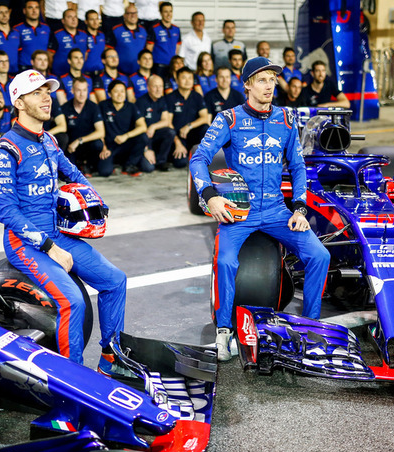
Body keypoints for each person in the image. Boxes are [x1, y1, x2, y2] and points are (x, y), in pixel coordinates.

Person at [0, 69, 128, 375]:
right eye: (37, 93)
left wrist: (96, 201)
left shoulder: (49, 140)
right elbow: (7, 213)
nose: (46, 98)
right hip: (24, 243)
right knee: (73, 302)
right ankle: (72, 381)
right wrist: (50, 248)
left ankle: (111, 361)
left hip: (58, 235)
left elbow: (73, 173)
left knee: (115, 281)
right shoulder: (3, 150)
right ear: (19, 103)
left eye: (47, 92)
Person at [189, 57, 330, 361]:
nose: (270, 85)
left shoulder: (287, 119)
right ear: (248, 84)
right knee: (225, 263)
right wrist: (211, 196)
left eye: (273, 80)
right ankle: (224, 332)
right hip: (239, 213)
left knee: (320, 255)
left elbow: (298, 166)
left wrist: (300, 210)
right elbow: (198, 158)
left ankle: (310, 327)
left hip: (278, 210)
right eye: (263, 79)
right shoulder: (229, 119)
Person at [97, 79, 153, 176]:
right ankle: (114, 164)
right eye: (116, 91)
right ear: (109, 94)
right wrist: (103, 147)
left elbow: (143, 127)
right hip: (110, 147)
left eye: (122, 91)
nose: (120, 94)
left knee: (148, 167)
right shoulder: (103, 106)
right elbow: (97, 128)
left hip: (126, 144)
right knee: (105, 172)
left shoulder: (131, 106)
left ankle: (129, 165)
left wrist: (126, 136)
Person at [61, 77, 106, 174]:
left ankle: (88, 165)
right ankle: (77, 165)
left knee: (98, 144)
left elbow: (101, 132)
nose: (82, 94)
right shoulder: (65, 108)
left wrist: (79, 141)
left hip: (87, 146)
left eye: (84, 90)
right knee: (69, 174)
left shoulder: (93, 107)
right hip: (71, 148)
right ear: (72, 91)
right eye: (78, 90)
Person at [166, 67, 210, 168]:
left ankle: (203, 157)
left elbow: (204, 117)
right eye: (184, 78)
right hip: (178, 137)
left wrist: (189, 126)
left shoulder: (197, 96)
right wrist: (177, 142)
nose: (187, 81)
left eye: (190, 78)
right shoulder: (170, 97)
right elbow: (168, 123)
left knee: (205, 127)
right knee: (180, 163)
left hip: (193, 135)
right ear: (177, 80)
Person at [135, 74, 174, 171]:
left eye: (160, 86)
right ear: (148, 87)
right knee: (148, 168)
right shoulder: (141, 102)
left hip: (154, 134)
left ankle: (161, 161)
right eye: (155, 86)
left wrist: (153, 126)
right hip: (143, 138)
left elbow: (166, 121)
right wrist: (146, 149)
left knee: (170, 132)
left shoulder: (162, 100)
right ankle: (143, 156)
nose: (158, 89)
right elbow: (139, 128)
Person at [106, 5, 147, 76]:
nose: (133, 15)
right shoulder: (116, 30)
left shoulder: (143, 30)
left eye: (135, 13)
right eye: (130, 13)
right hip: (120, 72)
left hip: (139, 73)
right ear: (124, 15)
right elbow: (108, 51)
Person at [49, 9, 88, 77]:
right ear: (63, 21)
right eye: (70, 17)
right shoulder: (57, 35)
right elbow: (49, 56)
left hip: (79, 75)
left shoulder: (84, 35)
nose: (73, 19)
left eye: (75, 17)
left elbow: (86, 54)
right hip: (60, 74)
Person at [146, 2, 179, 78]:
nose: (168, 14)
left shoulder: (176, 29)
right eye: (165, 12)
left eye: (170, 11)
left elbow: (177, 48)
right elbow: (149, 49)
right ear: (160, 13)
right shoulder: (154, 28)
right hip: (158, 67)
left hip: (172, 67)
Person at [15, 0, 50, 72]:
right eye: (30, 8)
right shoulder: (17, 29)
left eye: (36, 8)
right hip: (24, 68)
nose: (34, 11)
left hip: (42, 68)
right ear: (24, 11)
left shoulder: (47, 28)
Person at [82, 10, 106, 77]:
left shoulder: (102, 35)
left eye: (97, 19)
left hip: (101, 73)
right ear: (86, 22)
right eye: (92, 19)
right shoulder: (82, 36)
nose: (95, 22)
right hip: (86, 73)